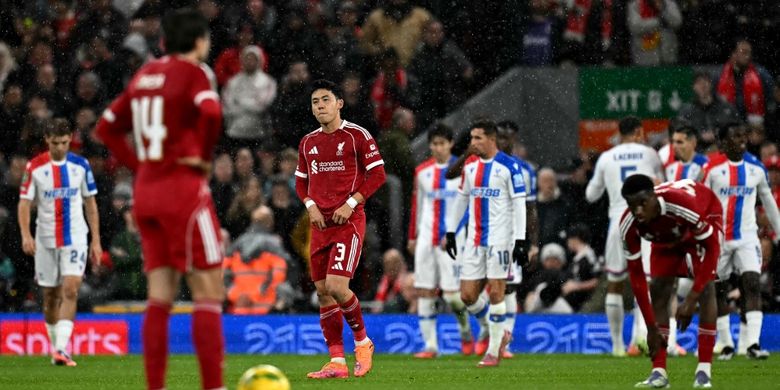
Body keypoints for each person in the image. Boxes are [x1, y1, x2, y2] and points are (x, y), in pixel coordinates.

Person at [95, 8, 225, 390]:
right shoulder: (194, 72)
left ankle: (155, 386)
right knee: (208, 291)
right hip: (182, 190)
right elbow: (213, 112)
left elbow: (106, 128)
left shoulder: (145, 74)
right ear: (199, 40)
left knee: (160, 296)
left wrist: (141, 164)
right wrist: (202, 156)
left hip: (146, 193)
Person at [294, 79, 386, 379]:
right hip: (320, 225)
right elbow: (300, 182)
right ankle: (336, 362)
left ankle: (363, 342)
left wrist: (351, 202)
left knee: (336, 286)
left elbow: (378, 175)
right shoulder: (308, 142)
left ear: (339, 104)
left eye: (325, 100)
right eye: (314, 102)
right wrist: (310, 205)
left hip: (348, 222)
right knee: (322, 292)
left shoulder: (357, 135)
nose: (319, 106)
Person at [620, 176, 722, 388]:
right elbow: (637, 277)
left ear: (654, 196)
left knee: (706, 288)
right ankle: (659, 373)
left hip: (704, 217)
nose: (637, 211)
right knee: (657, 287)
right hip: (665, 236)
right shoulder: (628, 224)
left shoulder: (681, 205)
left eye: (642, 203)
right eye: (632, 206)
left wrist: (690, 300)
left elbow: (712, 249)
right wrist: (650, 327)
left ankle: (704, 371)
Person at [18, 118, 102, 367]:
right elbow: (24, 203)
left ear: (70, 140)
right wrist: (26, 235)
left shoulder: (81, 165)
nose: (61, 148)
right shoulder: (34, 167)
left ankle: (62, 349)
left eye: (65, 143)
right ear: (47, 140)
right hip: (45, 238)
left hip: (75, 236)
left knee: (71, 288)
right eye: (56, 143)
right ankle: (57, 347)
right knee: (50, 296)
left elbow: (91, 203)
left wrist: (96, 240)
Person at [444, 119, 527, 367]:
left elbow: (520, 205)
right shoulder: (470, 167)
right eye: (472, 138)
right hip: (474, 239)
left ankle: (493, 351)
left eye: (477, 138)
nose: (473, 143)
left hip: (500, 241)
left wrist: (521, 241)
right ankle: (499, 331)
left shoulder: (509, 167)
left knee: (497, 292)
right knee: (467, 296)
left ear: (492, 139)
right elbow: (461, 200)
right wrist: (450, 232)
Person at [586, 116, 664, 356]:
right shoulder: (650, 154)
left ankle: (618, 346)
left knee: (615, 282)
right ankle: (640, 337)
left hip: (618, 221)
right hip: (645, 220)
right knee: (646, 279)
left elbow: (591, 195)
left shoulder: (607, 157)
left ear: (619, 133)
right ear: (639, 131)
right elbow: (662, 184)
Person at [702, 122, 778, 360]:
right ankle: (725, 344)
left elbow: (768, 202)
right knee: (718, 289)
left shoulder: (756, 169)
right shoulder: (712, 169)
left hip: (747, 236)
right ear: (724, 143)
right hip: (718, 238)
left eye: (744, 136)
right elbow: (701, 204)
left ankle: (753, 345)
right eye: (735, 137)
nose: (742, 140)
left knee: (752, 283)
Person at [408, 123, 473, 358]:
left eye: (442, 143)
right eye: (434, 144)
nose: (438, 148)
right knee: (425, 291)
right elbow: (417, 206)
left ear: (451, 144)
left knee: (453, 296)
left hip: (453, 241)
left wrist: (454, 232)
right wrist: (413, 236)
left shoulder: (464, 169)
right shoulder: (422, 171)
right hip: (426, 238)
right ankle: (430, 346)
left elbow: (468, 206)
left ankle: (465, 332)